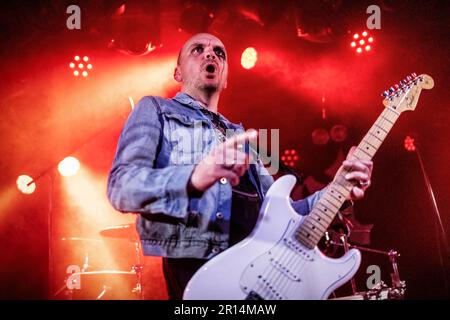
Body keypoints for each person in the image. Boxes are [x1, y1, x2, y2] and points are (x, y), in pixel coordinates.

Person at [107, 33, 373, 300]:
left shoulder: (243, 137)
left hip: (259, 280)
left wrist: (339, 189)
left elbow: (283, 216)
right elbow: (121, 187)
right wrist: (193, 177)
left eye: (219, 52)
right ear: (177, 72)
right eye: (197, 49)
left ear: (226, 79)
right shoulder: (155, 109)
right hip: (201, 274)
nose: (210, 54)